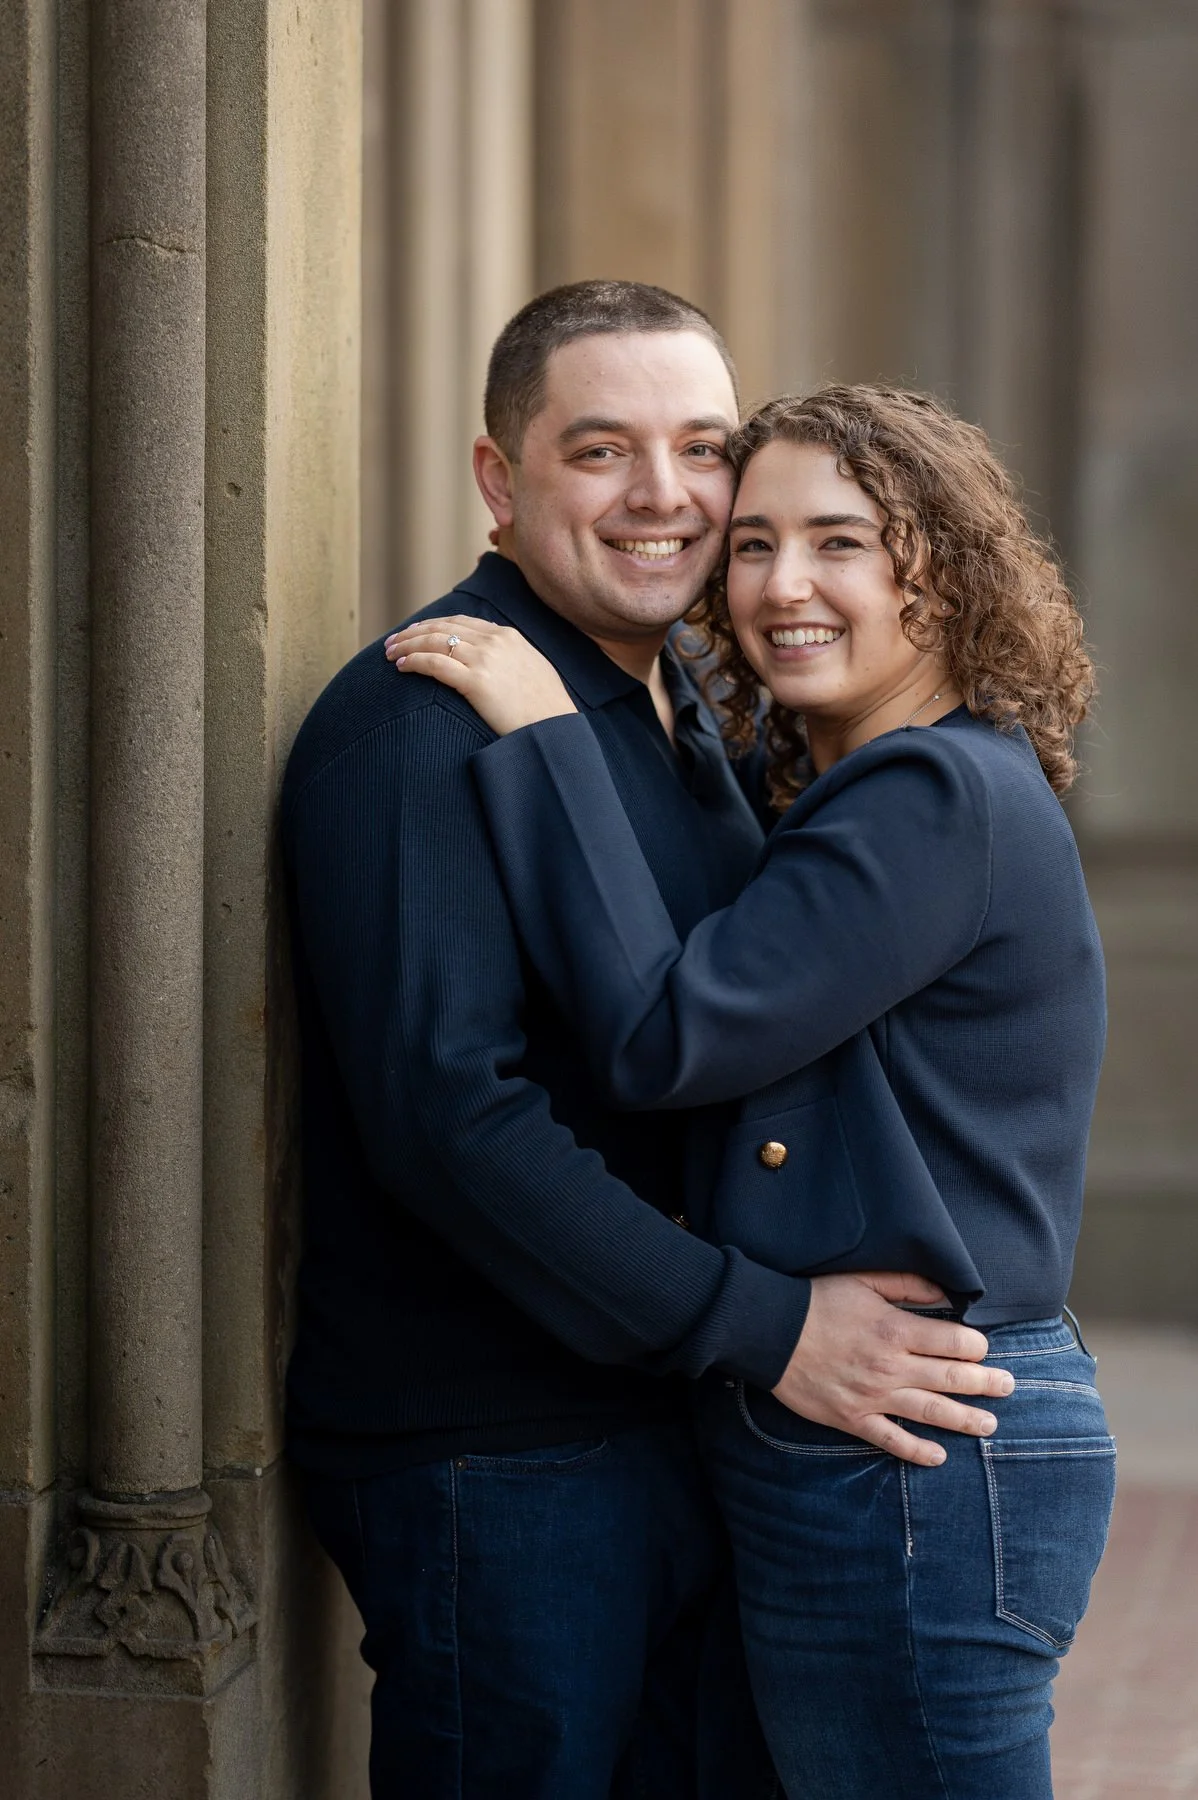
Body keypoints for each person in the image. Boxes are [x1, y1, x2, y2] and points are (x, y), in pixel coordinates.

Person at [285, 288, 1013, 1800]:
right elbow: (452, 1120)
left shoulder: (683, 703)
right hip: (502, 1458)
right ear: (500, 479)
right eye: (601, 451)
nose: (664, 496)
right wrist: (766, 1326)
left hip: (670, 1423)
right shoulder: (426, 724)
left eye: (701, 448)